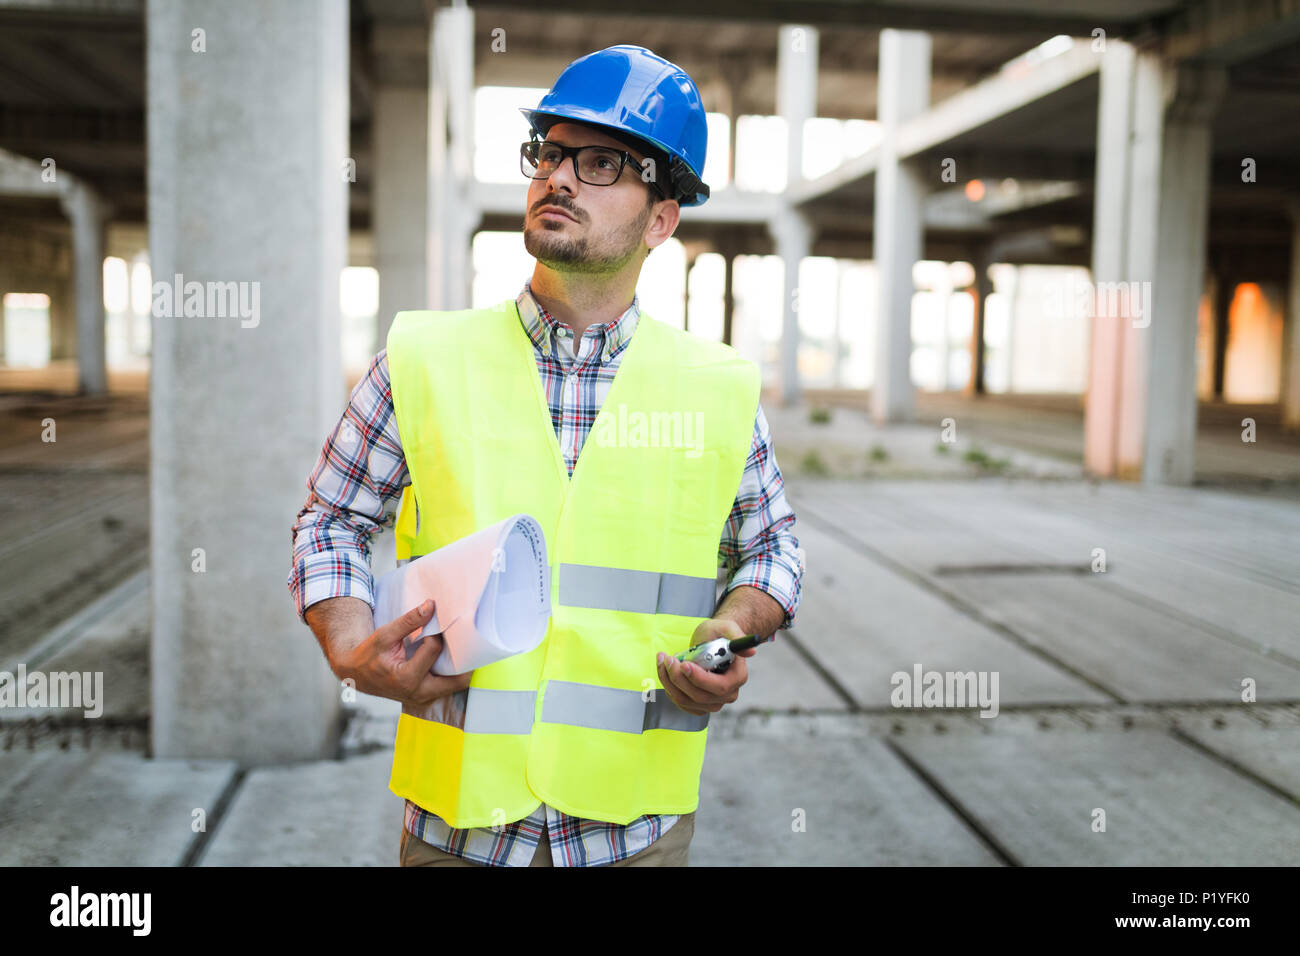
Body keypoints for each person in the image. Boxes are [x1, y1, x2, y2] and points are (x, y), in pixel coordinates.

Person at [287, 45, 803, 867]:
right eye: (549, 154)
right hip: (458, 828)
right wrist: (350, 644)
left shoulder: (718, 386)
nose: (559, 177)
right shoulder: (424, 359)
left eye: (601, 163)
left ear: (661, 219)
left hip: (633, 830)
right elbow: (332, 518)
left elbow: (772, 552)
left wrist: (731, 632)